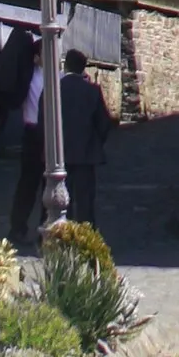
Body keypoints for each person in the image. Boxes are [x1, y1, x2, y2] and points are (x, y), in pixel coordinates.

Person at [58, 49, 113, 226]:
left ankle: (60, 234)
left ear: (65, 66)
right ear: (83, 69)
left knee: (59, 200)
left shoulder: (54, 90)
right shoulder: (92, 91)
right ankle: (86, 237)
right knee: (85, 202)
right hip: (86, 154)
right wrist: (94, 143)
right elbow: (104, 123)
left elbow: (43, 121)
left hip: (59, 155)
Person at [8, 51, 47, 243]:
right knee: (28, 183)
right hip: (32, 131)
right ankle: (18, 226)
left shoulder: (58, 76)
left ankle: (45, 228)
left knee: (49, 183)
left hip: (49, 133)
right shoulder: (29, 77)